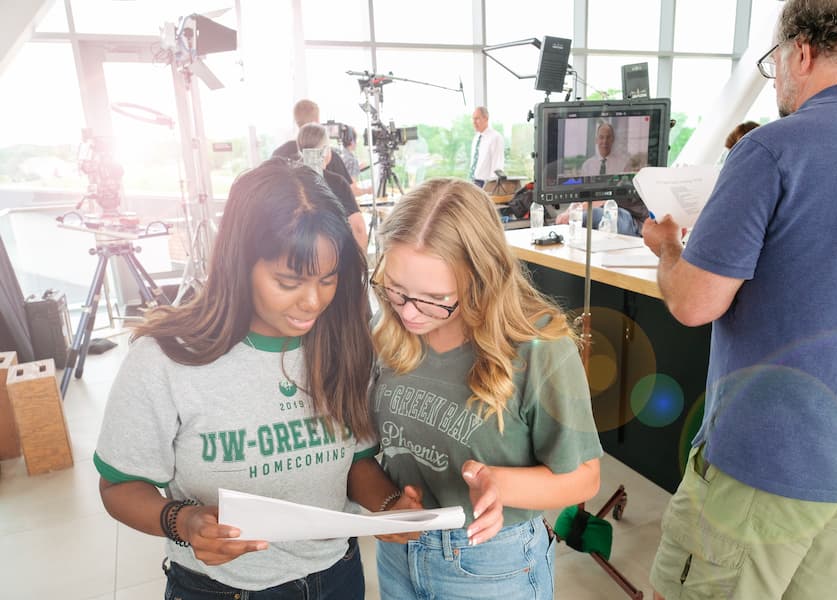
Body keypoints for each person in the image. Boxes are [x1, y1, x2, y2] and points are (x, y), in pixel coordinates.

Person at [642, 1, 837, 598]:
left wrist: (668, 250)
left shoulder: (773, 150)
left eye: (773, 62)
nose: (776, 78)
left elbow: (693, 304)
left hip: (772, 465)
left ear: (801, 51)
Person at [93, 159, 415, 599]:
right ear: (240, 264)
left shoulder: (345, 344)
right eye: (288, 281)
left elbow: (357, 461)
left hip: (337, 576)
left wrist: (388, 507)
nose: (312, 301)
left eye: (328, 279)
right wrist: (183, 521)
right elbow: (119, 486)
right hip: (223, 589)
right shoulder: (166, 359)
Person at [369, 178, 603, 598]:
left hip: (491, 562)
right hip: (398, 557)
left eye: (434, 298)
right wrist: (388, 506)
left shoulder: (537, 347)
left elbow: (584, 477)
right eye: (396, 289)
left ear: (482, 278)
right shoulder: (387, 331)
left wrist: (502, 484)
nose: (409, 312)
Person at [296, 123, 368, 251]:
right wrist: (360, 267)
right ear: (325, 151)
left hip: (298, 258)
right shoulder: (337, 183)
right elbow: (359, 228)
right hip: (332, 258)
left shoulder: (289, 180)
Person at [272, 98, 354, 185]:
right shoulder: (329, 155)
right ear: (316, 122)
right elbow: (349, 191)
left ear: (296, 122)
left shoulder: (278, 154)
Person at [469, 106, 505, 188]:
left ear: (486, 119)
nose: (474, 122)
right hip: (473, 181)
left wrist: (490, 188)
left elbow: (497, 165)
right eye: (473, 119)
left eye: (477, 119)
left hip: (485, 184)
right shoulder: (476, 138)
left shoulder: (495, 137)